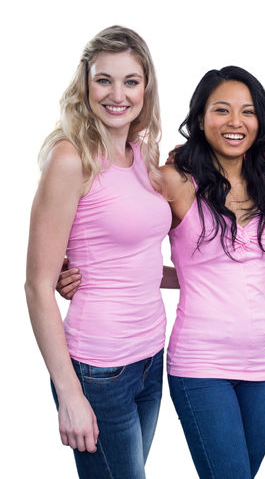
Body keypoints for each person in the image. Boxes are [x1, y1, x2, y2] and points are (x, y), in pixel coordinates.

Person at [24, 26, 170, 478]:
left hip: (151, 356)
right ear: (85, 83)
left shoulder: (142, 155)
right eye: (104, 79)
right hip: (99, 367)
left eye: (130, 81)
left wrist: (230, 273)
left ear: (146, 88)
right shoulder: (71, 159)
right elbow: (37, 286)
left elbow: (139, 262)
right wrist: (68, 392)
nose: (117, 94)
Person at [164, 66, 265, 478]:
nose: (236, 123)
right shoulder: (174, 181)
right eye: (222, 110)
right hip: (202, 363)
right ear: (200, 119)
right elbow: (123, 237)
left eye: (247, 112)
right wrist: (74, 266)